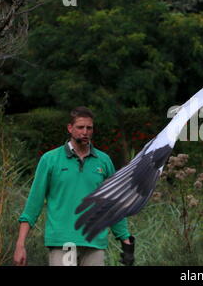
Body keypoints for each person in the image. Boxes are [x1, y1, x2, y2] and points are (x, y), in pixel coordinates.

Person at [13, 106, 135, 266]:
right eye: (80, 127)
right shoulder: (50, 160)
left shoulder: (103, 161)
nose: (85, 132)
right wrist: (20, 244)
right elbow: (34, 203)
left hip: (94, 242)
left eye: (89, 128)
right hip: (63, 242)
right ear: (70, 128)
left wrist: (125, 240)